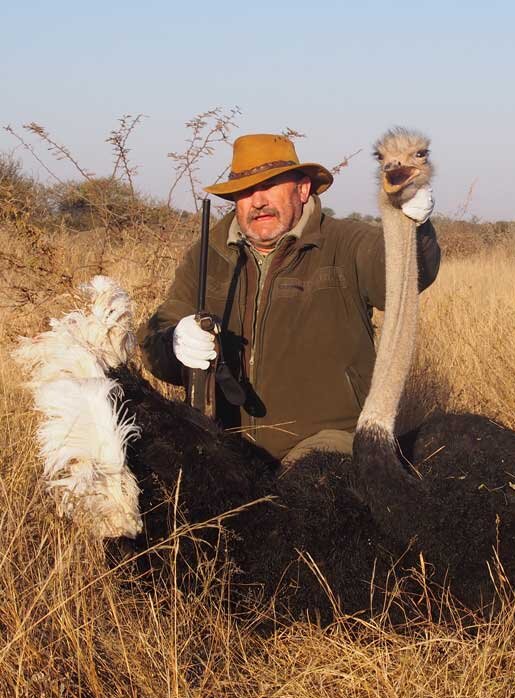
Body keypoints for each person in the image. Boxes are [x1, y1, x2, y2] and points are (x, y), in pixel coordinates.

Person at [139, 133, 441, 462]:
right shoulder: (207, 255)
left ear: (302, 189)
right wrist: (174, 342)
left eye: (269, 186)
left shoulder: (348, 242)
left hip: (328, 442)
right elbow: (158, 337)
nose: (257, 202)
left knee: (310, 495)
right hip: (227, 445)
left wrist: (414, 228)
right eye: (245, 191)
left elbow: (404, 276)